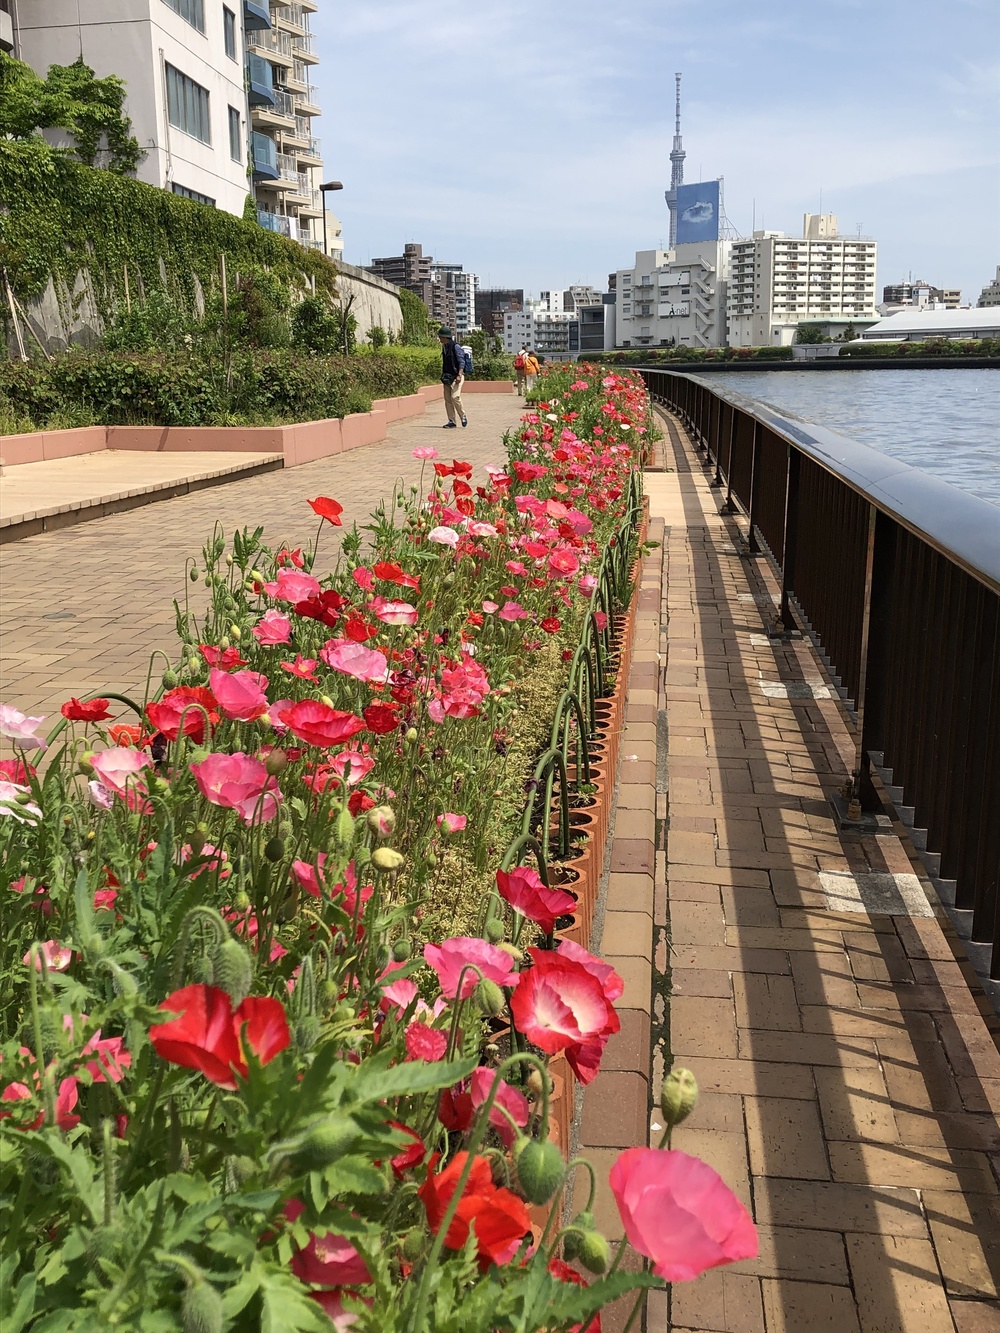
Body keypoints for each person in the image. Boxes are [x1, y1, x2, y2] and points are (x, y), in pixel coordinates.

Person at [437, 326, 467, 428]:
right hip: (447, 377)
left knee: (455, 397)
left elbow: (461, 361)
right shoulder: (444, 347)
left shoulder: (455, 347)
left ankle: (462, 416)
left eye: (440, 337)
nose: (439, 339)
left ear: (444, 337)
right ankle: (452, 421)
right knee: (448, 400)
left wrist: (459, 375)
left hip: (456, 377)